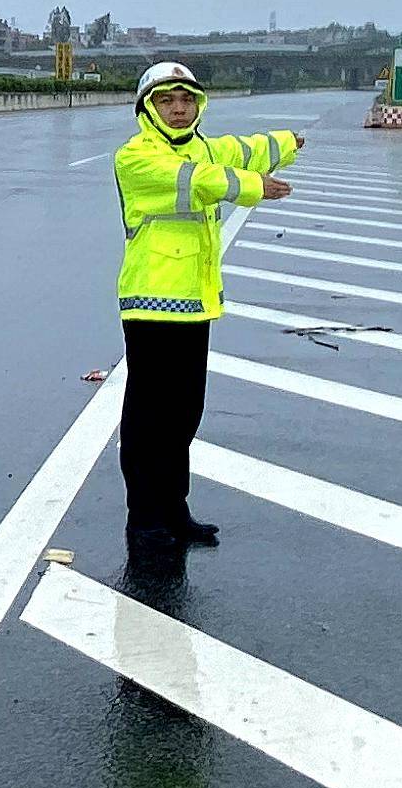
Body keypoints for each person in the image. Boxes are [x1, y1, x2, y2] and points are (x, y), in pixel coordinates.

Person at [111, 62, 299, 554]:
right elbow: (198, 180)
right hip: (151, 304)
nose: (178, 109)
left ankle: (175, 509)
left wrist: (289, 141)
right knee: (149, 418)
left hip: (194, 304)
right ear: (146, 109)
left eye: (187, 99)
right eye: (166, 100)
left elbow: (246, 149)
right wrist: (256, 186)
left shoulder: (205, 146)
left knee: (184, 414)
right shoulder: (135, 157)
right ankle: (145, 520)